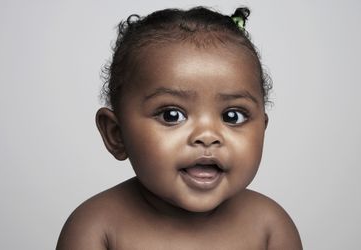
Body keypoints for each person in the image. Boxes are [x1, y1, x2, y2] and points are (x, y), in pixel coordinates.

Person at [57, 6, 302, 249]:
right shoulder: (97, 227)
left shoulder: (269, 227)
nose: (207, 136)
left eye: (233, 116)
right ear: (116, 134)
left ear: (263, 129)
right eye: (172, 115)